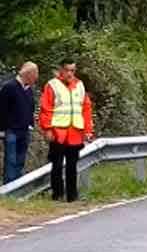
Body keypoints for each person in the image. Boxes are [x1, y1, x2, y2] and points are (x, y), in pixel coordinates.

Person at [39, 59, 93, 202]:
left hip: (75, 132)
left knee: (72, 165)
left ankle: (72, 196)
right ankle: (57, 194)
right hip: (58, 133)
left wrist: (87, 130)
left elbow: (86, 109)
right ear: (61, 70)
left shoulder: (79, 85)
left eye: (73, 71)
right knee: (56, 165)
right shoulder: (52, 85)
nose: (70, 73)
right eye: (67, 70)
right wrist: (47, 129)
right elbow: (46, 109)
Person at [0, 62, 39, 185]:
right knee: (11, 160)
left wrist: (30, 124)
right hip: (11, 130)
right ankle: (9, 188)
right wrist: (1, 129)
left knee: (20, 160)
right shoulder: (9, 87)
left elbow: (31, 107)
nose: (36, 77)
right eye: (35, 74)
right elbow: (1, 109)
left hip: (24, 130)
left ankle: (18, 186)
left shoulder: (28, 90)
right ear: (28, 74)